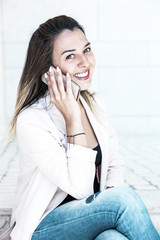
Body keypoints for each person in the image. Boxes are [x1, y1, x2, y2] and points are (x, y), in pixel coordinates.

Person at [4, 15, 160, 240]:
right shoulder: (33, 120)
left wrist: (107, 197)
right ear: (50, 70)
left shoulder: (94, 103)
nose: (84, 62)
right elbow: (81, 190)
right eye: (70, 56)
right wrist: (72, 119)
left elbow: (114, 164)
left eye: (86, 50)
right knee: (124, 200)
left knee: (112, 238)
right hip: (44, 226)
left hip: (89, 218)